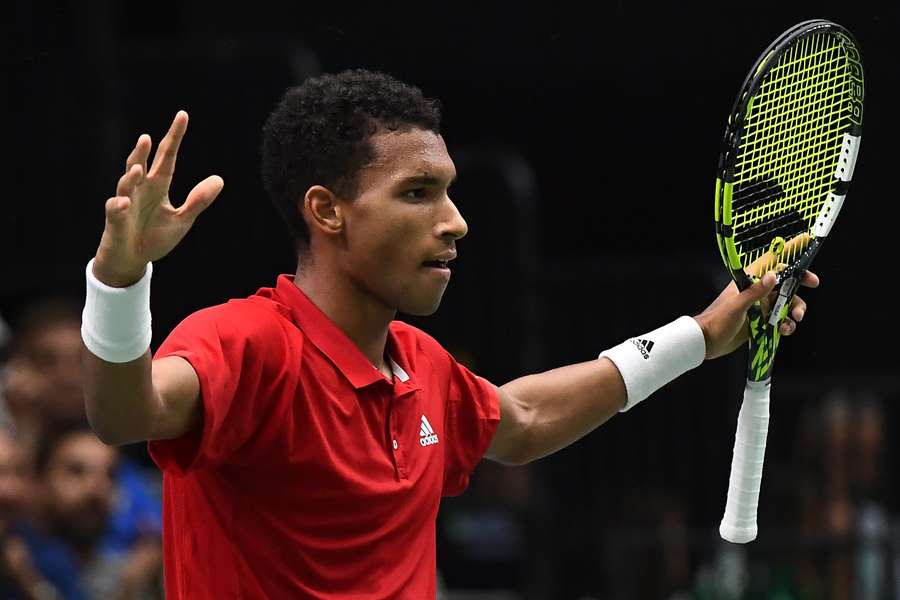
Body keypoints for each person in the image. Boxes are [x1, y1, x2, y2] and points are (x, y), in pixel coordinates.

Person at [80, 69, 817, 598]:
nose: (456, 220)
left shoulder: (420, 366)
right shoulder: (245, 344)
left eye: (450, 191)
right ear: (327, 211)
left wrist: (702, 334)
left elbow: (522, 419)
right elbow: (124, 414)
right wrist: (120, 279)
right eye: (416, 193)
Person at [17, 422, 162, 599]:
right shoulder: (16, 558)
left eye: (110, 474)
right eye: (76, 472)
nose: (96, 489)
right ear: (38, 481)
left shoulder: (131, 565)